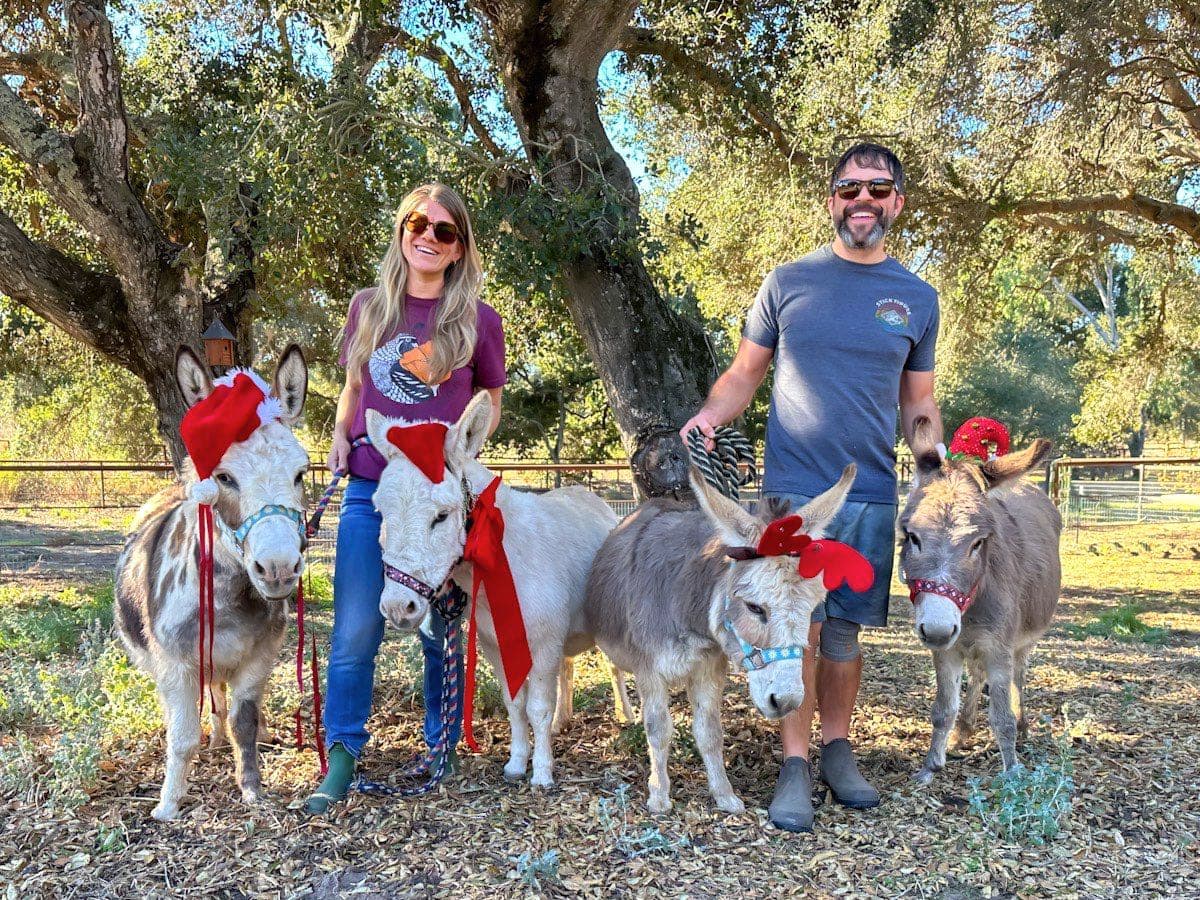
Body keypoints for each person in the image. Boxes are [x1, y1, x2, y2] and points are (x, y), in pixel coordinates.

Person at [680, 143, 943, 832]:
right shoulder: (788, 282)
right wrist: (711, 415)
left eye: (878, 189)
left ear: (897, 203)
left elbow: (919, 404)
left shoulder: (917, 298)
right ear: (832, 200)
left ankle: (836, 750)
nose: (864, 199)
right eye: (850, 188)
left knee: (845, 634)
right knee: (799, 625)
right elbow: (745, 373)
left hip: (869, 494)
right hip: (793, 497)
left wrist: (934, 459)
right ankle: (793, 764)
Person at [306, 184, 506, 813]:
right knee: (357, 626)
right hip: (372, 490)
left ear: (458, 249)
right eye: (418, 223)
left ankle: (439, 742)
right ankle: (341, 755)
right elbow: (354, 386)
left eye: (445, 231)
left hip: (439, 499)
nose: (428, 236)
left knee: (437, 628)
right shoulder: (369, 308)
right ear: (401, 231)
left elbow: (491, 402)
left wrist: (463, 455)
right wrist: (340, 431)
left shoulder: (478, 320)